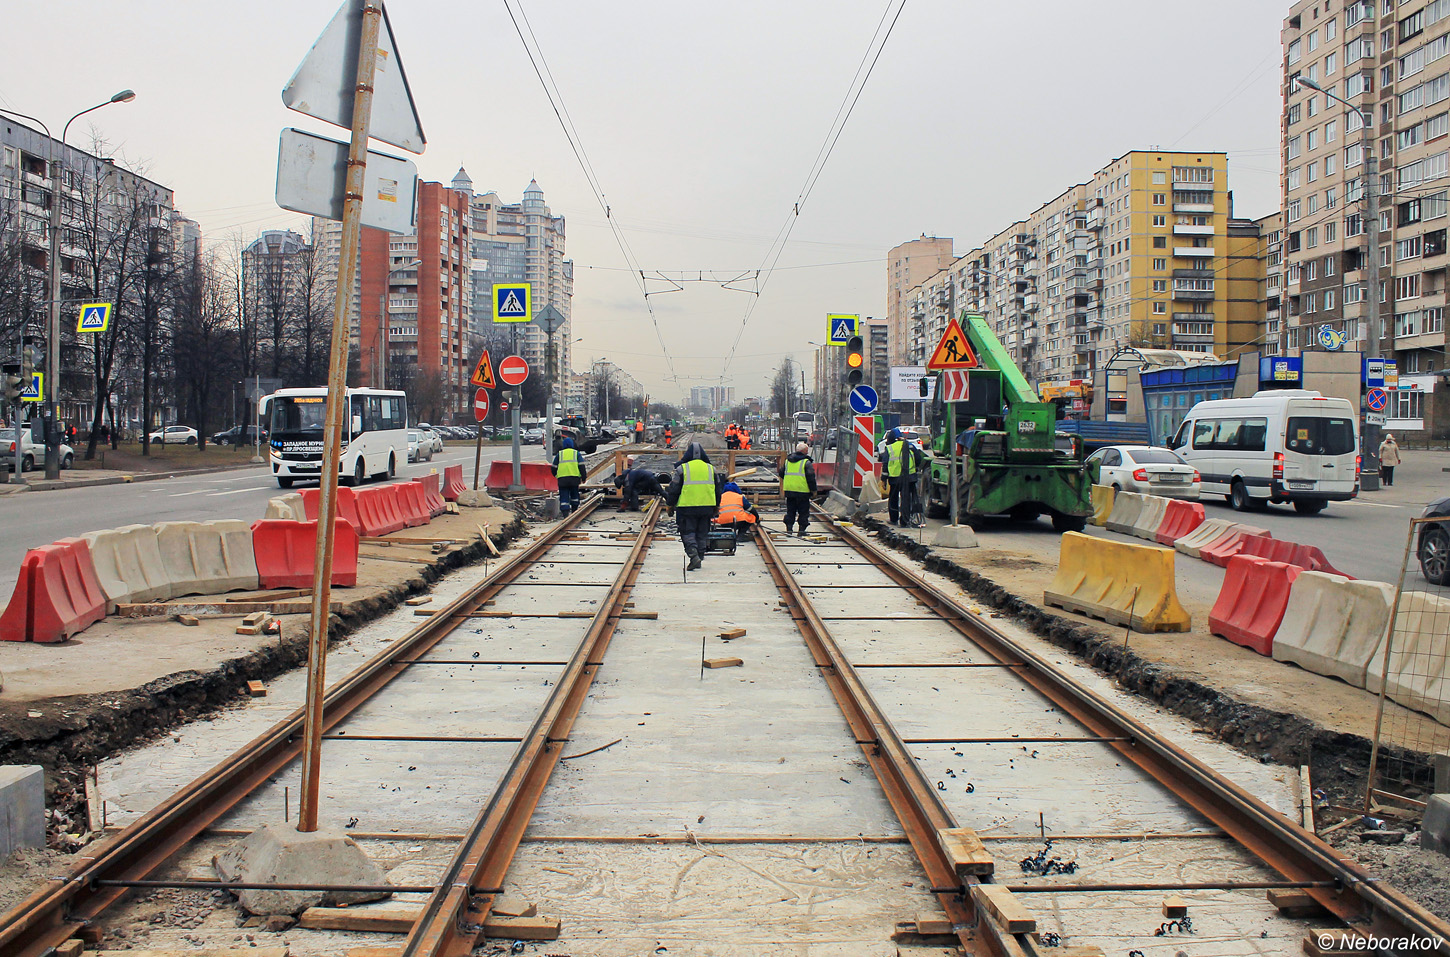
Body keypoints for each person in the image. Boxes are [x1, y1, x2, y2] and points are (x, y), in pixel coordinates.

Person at [667, 441, 724, 570]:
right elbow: (718, 490)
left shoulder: (682, 469)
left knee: (687, 532)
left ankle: (693, 556)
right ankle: (700, 555)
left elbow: (674, 489)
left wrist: (670, 504)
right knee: (702, 532)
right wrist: (716, 506)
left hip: (687, 507)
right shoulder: (711, 469)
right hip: (707, 507)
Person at [880, 428, 924, 528]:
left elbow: (885, 464)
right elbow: (918, 459)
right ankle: (905, 520)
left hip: (895, 478)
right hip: (910, 478)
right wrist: (914, 469)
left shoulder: (890, 448)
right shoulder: (910, 446)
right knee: (906, 498)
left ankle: (894, 519)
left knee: (893, 499)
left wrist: (884, 479)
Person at [779, 441, 818, 535]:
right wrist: (814, 490)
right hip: (802, 490)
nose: (808, 452)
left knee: (790, 510)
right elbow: (811, 478)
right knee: (803, 511)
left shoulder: (788, 461)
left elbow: (781, 472)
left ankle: (789, 529)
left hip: (789, 490)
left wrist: (790, 481)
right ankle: (801, 531)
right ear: (804, 451)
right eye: (807, 450)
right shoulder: (806, 462)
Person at [551, 436, 583, 516]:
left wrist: (556, 475)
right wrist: (583, 477)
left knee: (564, 496)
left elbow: (553, 467)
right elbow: (581, 466)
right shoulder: (576, 453)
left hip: (562, 479)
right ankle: (574, 511)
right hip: (574, 478)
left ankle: (565, 514)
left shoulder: (560, 454)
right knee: (574, 495)